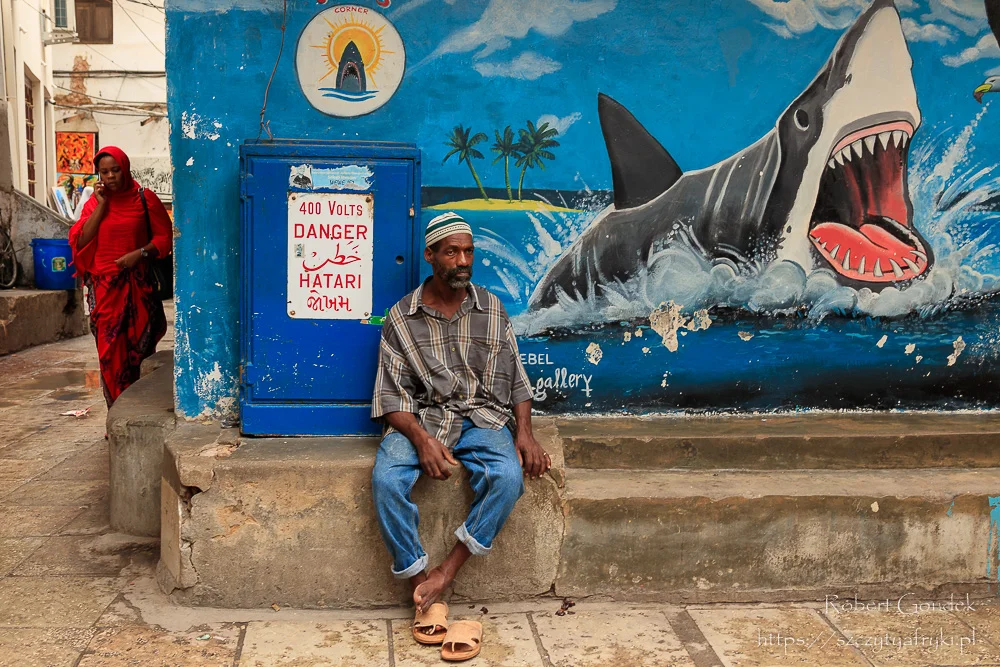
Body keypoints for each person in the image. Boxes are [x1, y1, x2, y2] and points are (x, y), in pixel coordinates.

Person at [371, 211, 550, 661]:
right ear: (430, 256)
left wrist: (525, 433)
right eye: (452, 252)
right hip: (423, 418)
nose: (463, 260)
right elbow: (391, 398)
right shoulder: (401, 317)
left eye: (468, 251)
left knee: (509, 479)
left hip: (483, 418)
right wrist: (422, 439)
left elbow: (516, 380)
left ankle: (445, 574)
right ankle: (421, 588)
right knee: (386, 480)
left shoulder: (491, 308)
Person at [69, 146, 171, 408]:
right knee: (109, 353)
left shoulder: (144, 198)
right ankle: (116, 413)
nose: (111, 176)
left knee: (139, 351)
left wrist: (140, 253)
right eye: (104, 172)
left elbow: (164, 238)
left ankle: (138, 409)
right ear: (98, 174)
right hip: (104, 288)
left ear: (125, 168)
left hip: (138, 285)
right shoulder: (94, 202)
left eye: (116, 170)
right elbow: (82, 240)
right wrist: (102, 206)